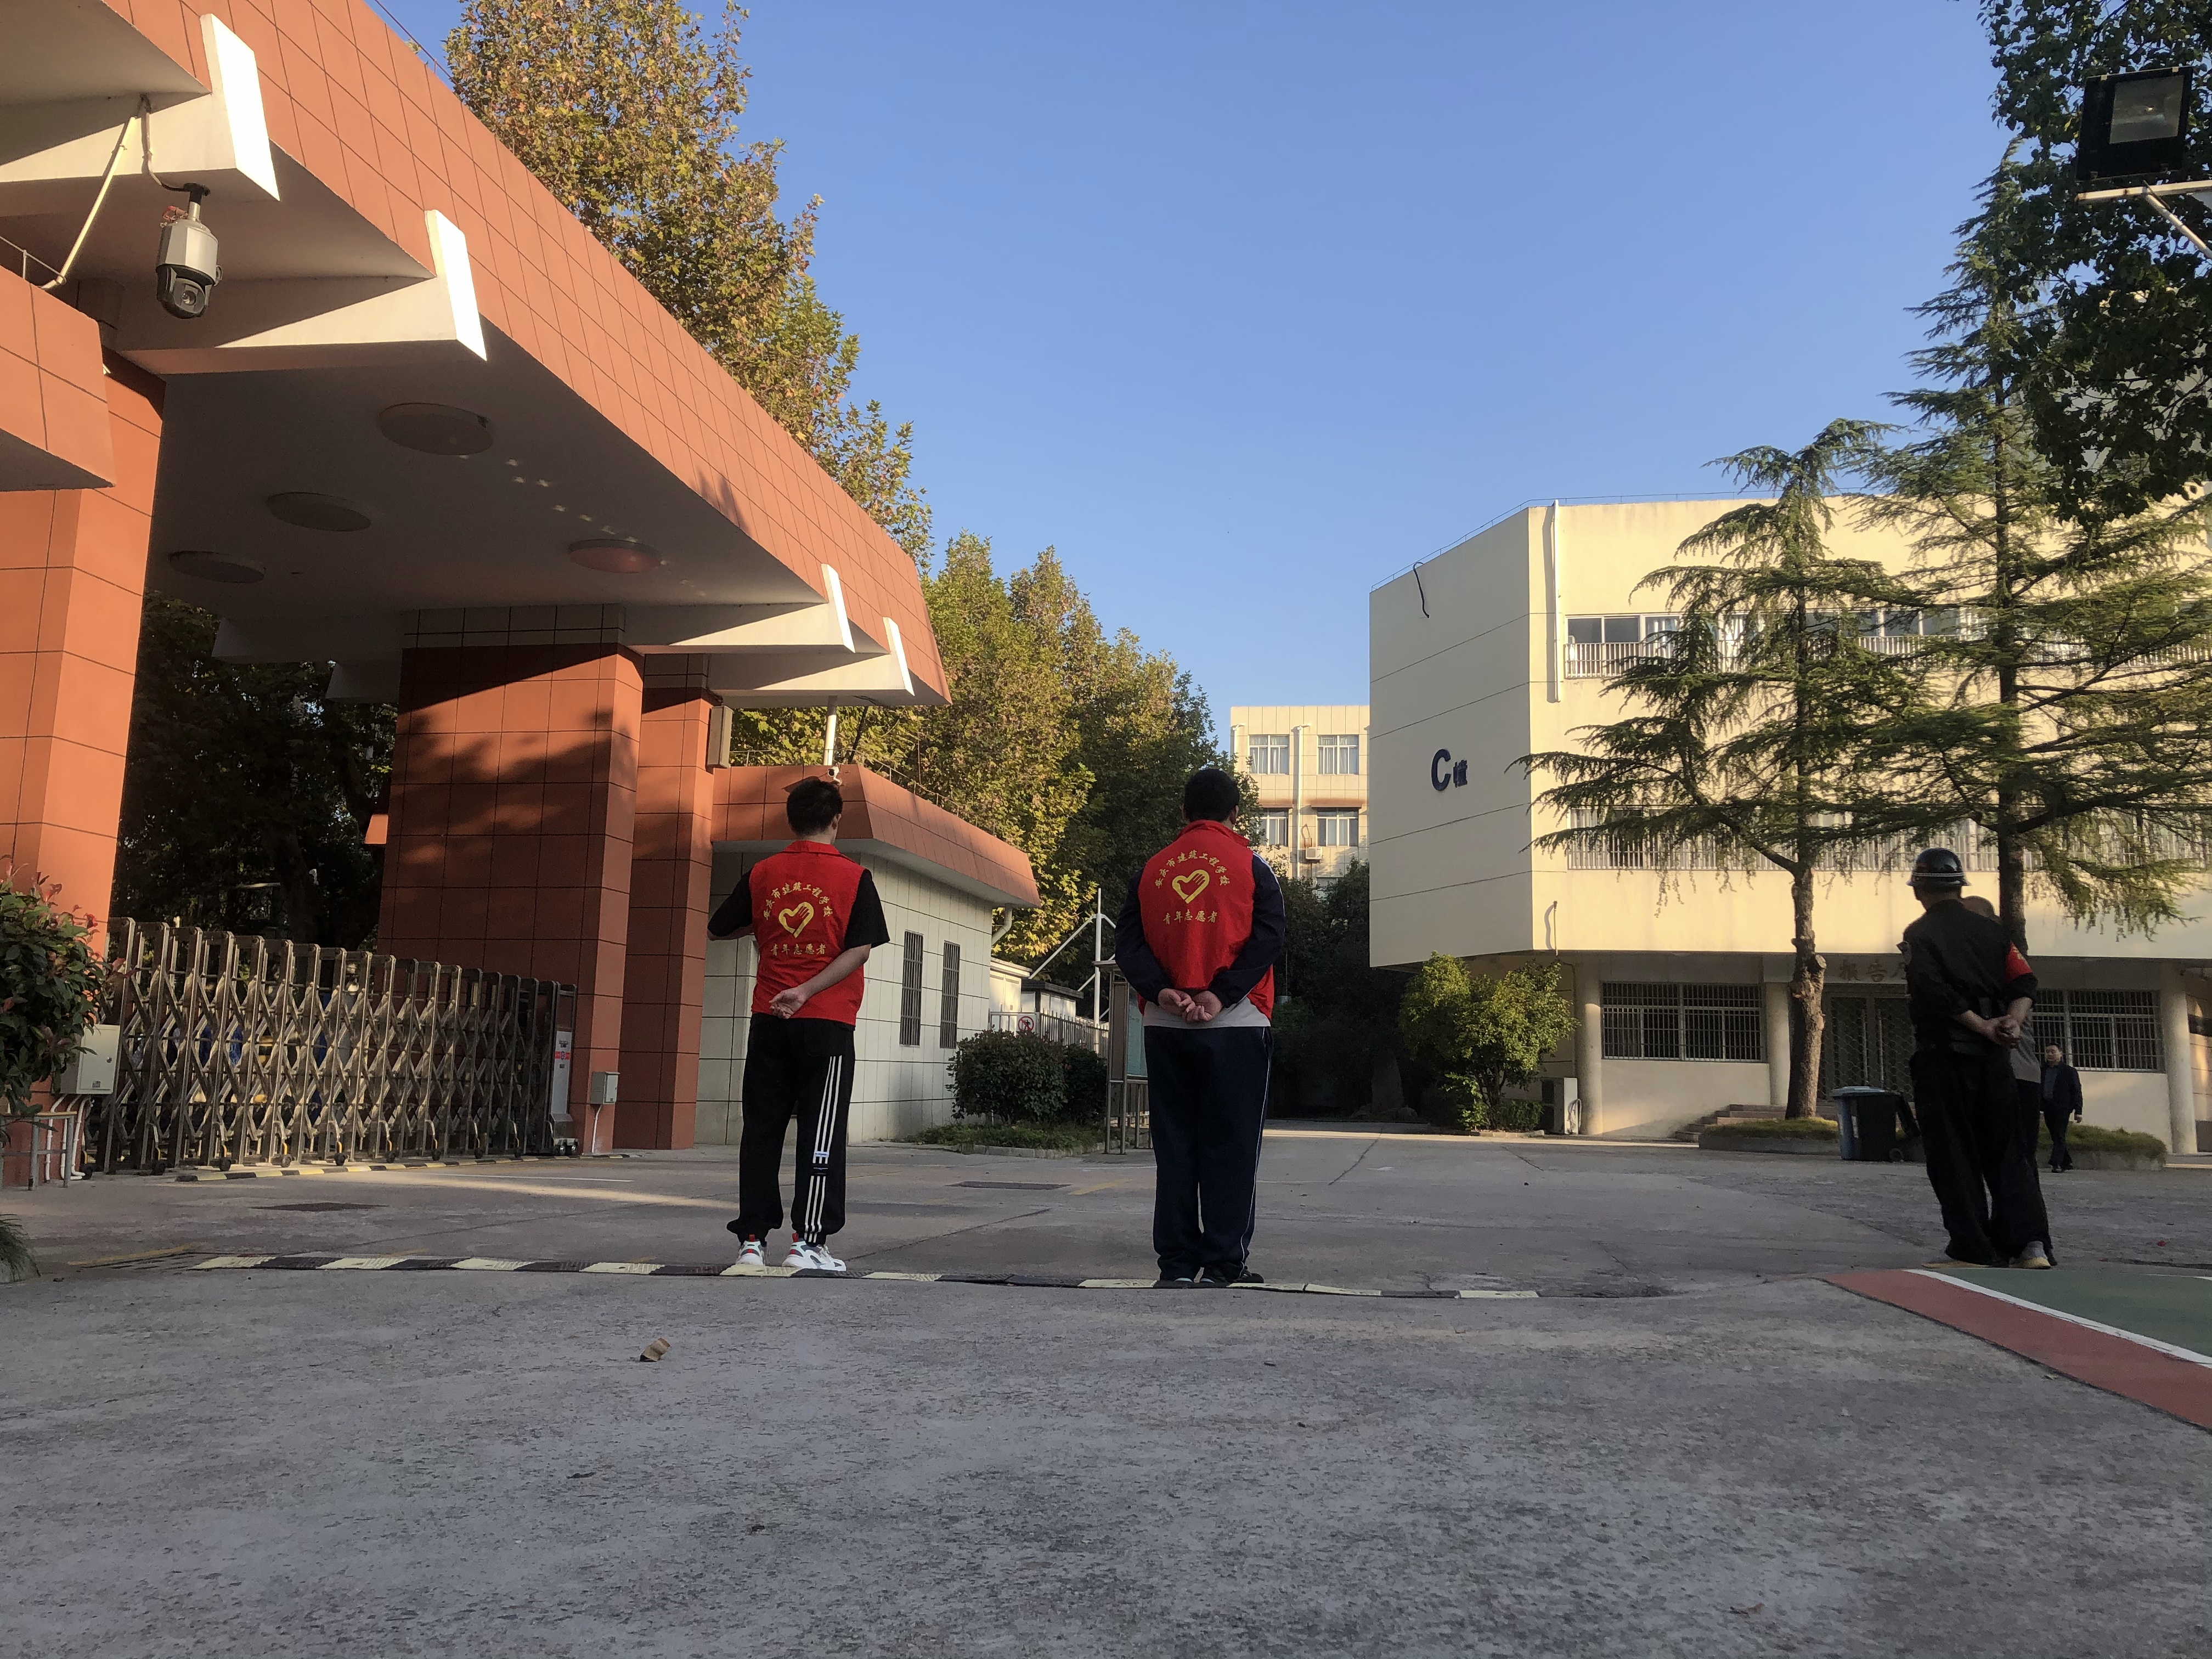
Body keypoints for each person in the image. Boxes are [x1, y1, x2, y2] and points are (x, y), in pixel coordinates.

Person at [706, 776, 891, 1272]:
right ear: (836, 819)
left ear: (790, 821)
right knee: (820, 1131)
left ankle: (751, 1240)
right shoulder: (855, 877)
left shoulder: (763, 873)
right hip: (826, 1022)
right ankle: (808, 1242)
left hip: (769, 1017)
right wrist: (808, 990)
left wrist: (766, 931)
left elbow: (719, 928)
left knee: (762, 1130)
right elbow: (860, 949)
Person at [1114, 767, 1286, 1289]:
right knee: (1231, 1147)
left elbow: (1128, 943)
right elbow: (1269, 937)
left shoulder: (1151, 870)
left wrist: (1162, 991)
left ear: (1184, 813)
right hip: (1237, 1024)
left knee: (1175, 1146)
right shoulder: (1253, 867)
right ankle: (1224, 1263)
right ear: (1235, 813)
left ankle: (1177, 1264)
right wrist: (1220, 994)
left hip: (1166, 1026)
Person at [1900, 848, 2052, 1269]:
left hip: (1945, 1055)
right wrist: (2011, 1023)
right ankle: (2029, 1246)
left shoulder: (1919, 934)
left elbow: (1934, 992)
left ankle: (1973, 1248)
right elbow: (2025, 980)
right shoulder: (1994, 933)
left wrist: (1980, 1025)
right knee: (2007, 1150)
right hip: (1995, 1059)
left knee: (1952, 1152)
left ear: (1919, 890)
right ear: (1959, 887)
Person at [2041, 1041, 2084, 1173]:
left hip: (2063, 1108)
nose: (2050, 1054)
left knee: (2059, 1134)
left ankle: (2056, 1163)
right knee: (2055, 1135)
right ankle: (2067, 1161)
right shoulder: (2042, 1070)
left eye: (2053, 1051)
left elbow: (2077, 1091)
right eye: (2048, 1052)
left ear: (2061, 1053)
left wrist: (2078, 1111)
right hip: (2047, 1107)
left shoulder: (2069, 1071)